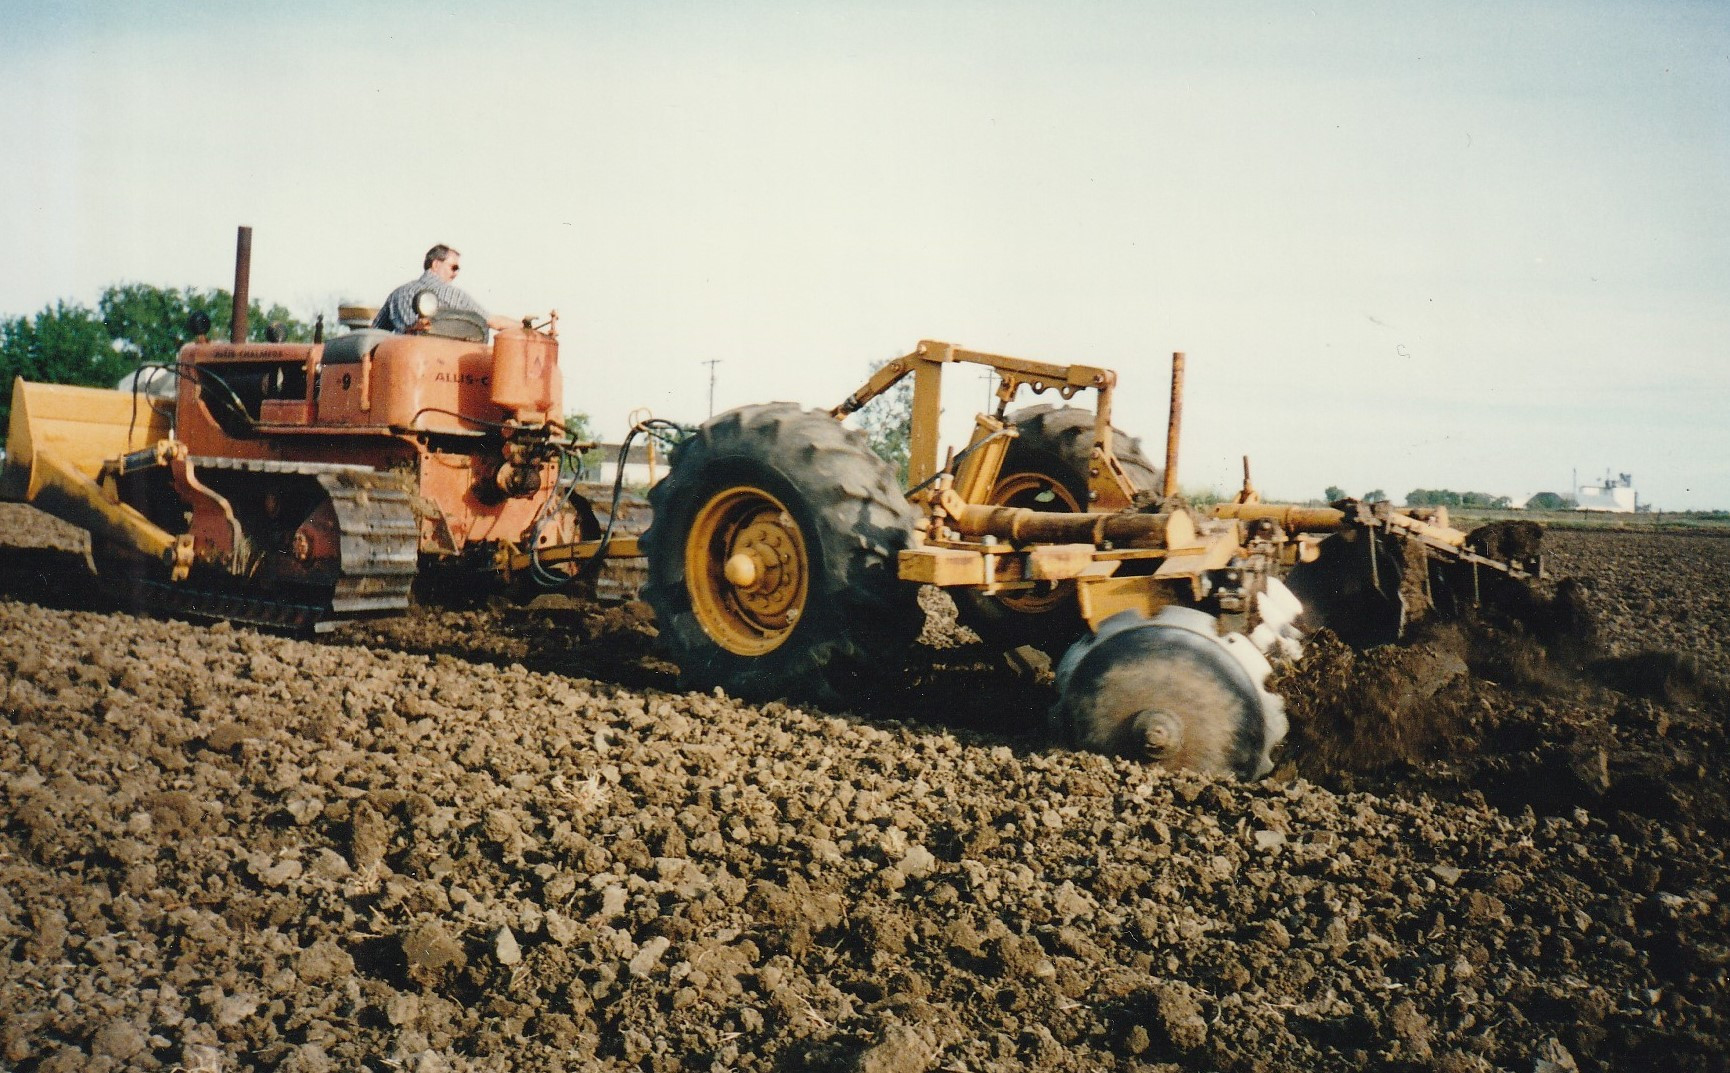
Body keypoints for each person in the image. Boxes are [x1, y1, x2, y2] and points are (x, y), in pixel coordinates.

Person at [373, 244, 517, 333]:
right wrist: (525, 326)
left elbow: (375, 332)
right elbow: (493, 321)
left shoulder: (397, 294)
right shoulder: (454, 295)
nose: (456, 273)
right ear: (435, 265)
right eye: (454, 268)